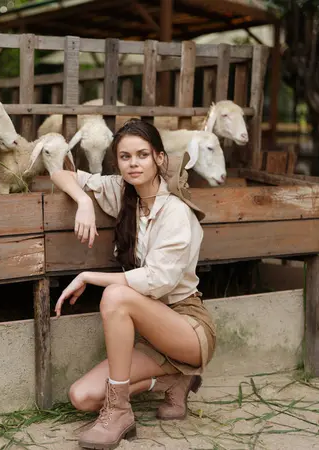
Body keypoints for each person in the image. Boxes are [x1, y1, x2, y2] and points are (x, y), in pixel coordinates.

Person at [49, 119, 217, 449]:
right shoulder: (124, 194)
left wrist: (87, 276)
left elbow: (156, 281)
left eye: (142, 155)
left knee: (116, 297)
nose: (133, 163)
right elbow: (60, 173)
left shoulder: (175, 212)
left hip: (186, 326)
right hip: (151, 332)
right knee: (81, 397)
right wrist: (83, 201)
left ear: (160, 159)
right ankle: (173, 379)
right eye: (125, 157)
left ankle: (118, 410)